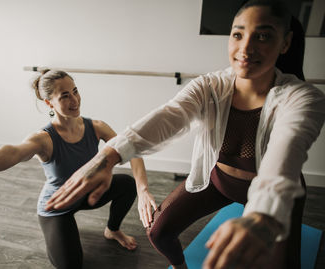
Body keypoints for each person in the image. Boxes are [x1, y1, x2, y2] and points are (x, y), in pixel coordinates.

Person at [43, 1, 325, 269]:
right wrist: (109, 155)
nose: (246, 47)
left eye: (263, 36)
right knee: (158, 231)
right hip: (218, 181)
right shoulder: (210, 86)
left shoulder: (302, 98)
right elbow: (168, 116)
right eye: (238, 34)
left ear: (285, 42)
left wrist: (263, 212)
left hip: (275, 192)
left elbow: (287, 150)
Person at [0, 70, 157, 269]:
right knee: (71, 265)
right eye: (65, 95)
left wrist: (143, 188)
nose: (74, 100)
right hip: (57, 206)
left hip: (87, 192)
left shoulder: (95, 127)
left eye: (75, 91)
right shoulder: (44, 139)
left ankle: (112, 230)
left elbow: (131, 149)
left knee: (127, 184)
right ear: (49, 103)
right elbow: (15, 151)